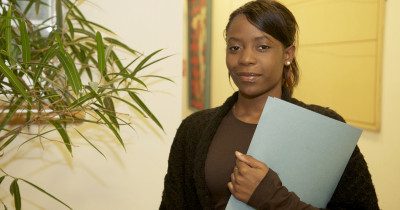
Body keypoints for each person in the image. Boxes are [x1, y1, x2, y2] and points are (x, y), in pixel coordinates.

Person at [160, 0, 379, 209]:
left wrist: (273, 199)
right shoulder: (193, 130)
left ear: (287, 54)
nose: (246, 58)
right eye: (235, 47)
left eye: (262, 47)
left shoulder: (326, 128)